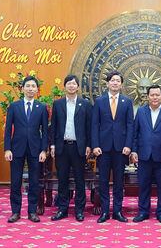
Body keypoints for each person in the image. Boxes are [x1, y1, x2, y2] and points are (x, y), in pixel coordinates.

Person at [131, 85, 161, 224]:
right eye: (152, 95)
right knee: (143, 185)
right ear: (147, 97)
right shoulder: (140, 111)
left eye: (157, 95)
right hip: (144, 155)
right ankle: (143, 212)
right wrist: (134, 151)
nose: (155, 97)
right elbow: (135, 134)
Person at [4, 75, 48, 223]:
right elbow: (8, 129)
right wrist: (7, 149)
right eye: (27, 86)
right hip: (16, 148)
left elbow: (45, 131)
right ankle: (15, 212)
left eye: (33, 86)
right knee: (15, 181)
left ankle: (32, 211)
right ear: (22, 88)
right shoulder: (14, 106)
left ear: (37, 89)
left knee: (34, 181)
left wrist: (43, 150)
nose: (30, 89)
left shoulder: (42, 107)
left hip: (35, 149)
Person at [91, 72, 134, 223]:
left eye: (118, 81)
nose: (115, 83)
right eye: (112, 80)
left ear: (121, 84)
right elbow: (94, 125)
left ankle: (117, 211)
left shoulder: (127, 102)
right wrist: (95, 145)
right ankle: (104, 212)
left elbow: (130, 125)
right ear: (107, 83)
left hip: (121, 148)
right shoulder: (99, 101)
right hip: (103, 148)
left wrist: (129, 145)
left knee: (118, 181)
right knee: (103, 181)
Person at [50, 74, 92, 222]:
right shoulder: (58, 104)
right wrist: (53, 145)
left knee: (80, 180)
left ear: (78, 87)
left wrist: (88, 145)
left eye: (74, 84)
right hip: (62, 147)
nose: (71, 86)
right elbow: (53, 127)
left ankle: (79, 211)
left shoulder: (85, 104)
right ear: (65, 86)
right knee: (62, 180)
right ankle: (62, 209)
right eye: (69, 83)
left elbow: (89, 127)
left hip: (78, 147)